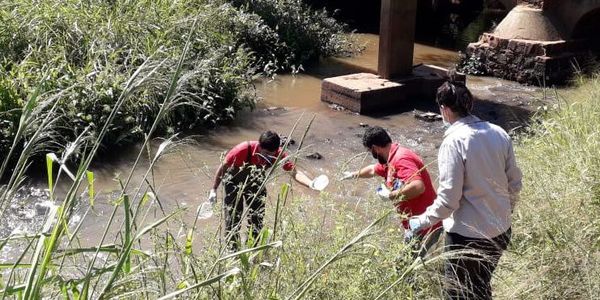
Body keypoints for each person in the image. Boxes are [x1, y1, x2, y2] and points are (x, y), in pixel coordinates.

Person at [407, 79, 523, 299]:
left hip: (467, 236)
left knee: (458, 294)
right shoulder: (499, 132)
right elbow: (514, 183)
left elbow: (449, 200)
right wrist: (505, 211)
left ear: (444, 109)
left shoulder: (454, 142)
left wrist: (420, 221)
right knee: (480, 288)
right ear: (469, 105)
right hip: (501, 231)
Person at [208, 130, 319, 250]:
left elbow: (294, 172)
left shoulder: (278, 155)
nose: (267, 158)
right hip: (234, 183)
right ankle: (232, 252)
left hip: (257, 184)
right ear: (259, 146)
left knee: (257, 220)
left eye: (271, 155)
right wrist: (213, 189)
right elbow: (223, 167)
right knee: (233, 219)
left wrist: (310, 183)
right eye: (265, 153)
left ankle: (253, 250)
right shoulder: (243, 149)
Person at [341, 126, 442, 256]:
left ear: (375, 148)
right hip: (416, 223)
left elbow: (418, 186)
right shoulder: (391, 158)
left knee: (404, 266)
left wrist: (391, 195)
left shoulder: (401, 158)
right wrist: (353, 174)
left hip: (424, 224)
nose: (371, 155)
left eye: (369, 151)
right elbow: (373, 170)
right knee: (408, 262)